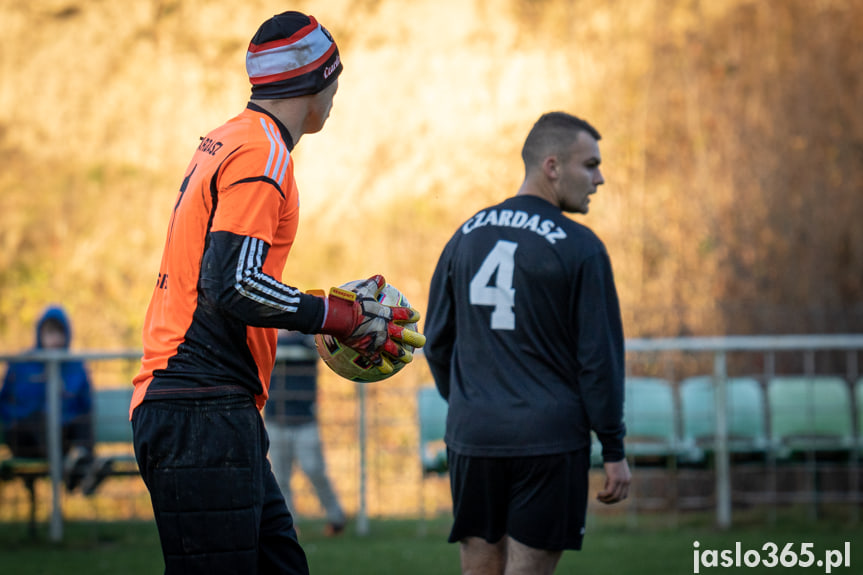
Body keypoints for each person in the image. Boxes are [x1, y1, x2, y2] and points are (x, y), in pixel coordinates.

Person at [129, 11, 424, 575]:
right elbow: (233, 283)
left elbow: (226, 278)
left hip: (205, 405)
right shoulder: (264, 151)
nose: (338, 94)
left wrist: (321, 307)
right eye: (335, 79)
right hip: (200, 407)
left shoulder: (229, 137)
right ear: (315, 82)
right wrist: (337, 316)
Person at [424, 112, 632, 575]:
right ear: (552, 167)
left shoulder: (466, 234)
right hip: (547, 440)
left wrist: (467, 401)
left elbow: (436, 341)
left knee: (479, 566)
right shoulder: (581, 247)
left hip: (474, 435)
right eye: (591, 164)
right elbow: (598, 362)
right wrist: (613, 450)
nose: (599, 178)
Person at [0, 305, 113, 495]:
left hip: (61, 434)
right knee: (41, 419)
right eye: (49, 333)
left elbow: (85, 405)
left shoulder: (75, 367)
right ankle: (75, 472)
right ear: (40, 334)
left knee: (82, 420)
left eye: (58, 333)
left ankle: (82, 465)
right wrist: (19, 415)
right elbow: (5, 402)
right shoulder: (21, 365)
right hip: (26, 437)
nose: (54, 339)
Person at [266, 330, 346, 536]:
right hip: (275, 419)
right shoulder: (269, 336)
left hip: (305, 420)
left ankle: (336, 518)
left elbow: (324, 346)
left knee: (315, 470)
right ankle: (289, 523)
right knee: (280, 477)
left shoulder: (310, 340)